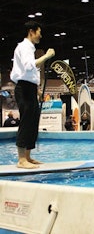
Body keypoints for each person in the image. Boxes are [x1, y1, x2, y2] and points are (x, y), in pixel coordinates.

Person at [10, 21, 55, 169]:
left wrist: (37, 89)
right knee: (26, 121)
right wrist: (47, 56)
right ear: (31, 31)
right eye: (39, 32)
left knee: (33, 121)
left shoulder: (30, 48)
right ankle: (21, 159)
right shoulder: (24, 47)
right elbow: (30, 66)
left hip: (30, 88)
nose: (40, 35)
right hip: (23, 88)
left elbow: (30, 73)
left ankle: (28, 156)